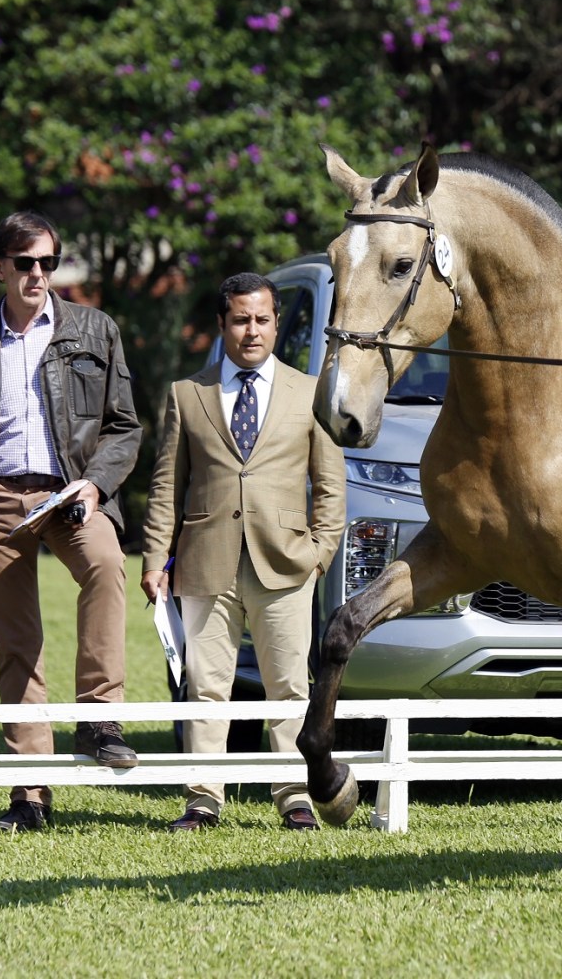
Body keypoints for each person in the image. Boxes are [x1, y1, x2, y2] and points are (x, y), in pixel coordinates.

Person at [0, 210, 142, 833]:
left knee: (107, 567)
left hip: (72, 494)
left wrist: (95, 481)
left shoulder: (94, 329)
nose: (37, 274)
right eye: (24, 263)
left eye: (47, 263)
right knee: (17, 646)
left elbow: (124, 428)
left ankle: (100, 719)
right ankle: (30, 795)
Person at [140, 271, 345, 831]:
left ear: (277, 324)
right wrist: (155, 559)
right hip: (205, 560)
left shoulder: (311, 392)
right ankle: (203, 796)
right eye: (239, 320)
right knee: (206, 685)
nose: (251, 331)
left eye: (261, 320)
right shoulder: (188, 395)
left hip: (286, 562)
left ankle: (293, 794)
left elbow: (330, 486)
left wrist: (320, 553)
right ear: (221, 325)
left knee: (288, 684)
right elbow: (166, 486)